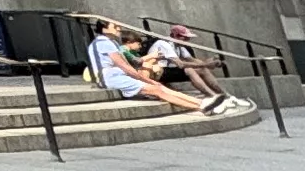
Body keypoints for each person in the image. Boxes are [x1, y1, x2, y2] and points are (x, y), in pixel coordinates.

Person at [88, 18, 216, 118]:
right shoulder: (104, 43)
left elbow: (126, 65)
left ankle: (202, 104)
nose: (119, 28)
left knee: (159, 87)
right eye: (114, 26)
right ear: (104, 29)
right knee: (158, 90)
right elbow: (125, 66)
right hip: (111, 78)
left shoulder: (110, 42)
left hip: (117, 76)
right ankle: (201, 106)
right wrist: (147, 80)